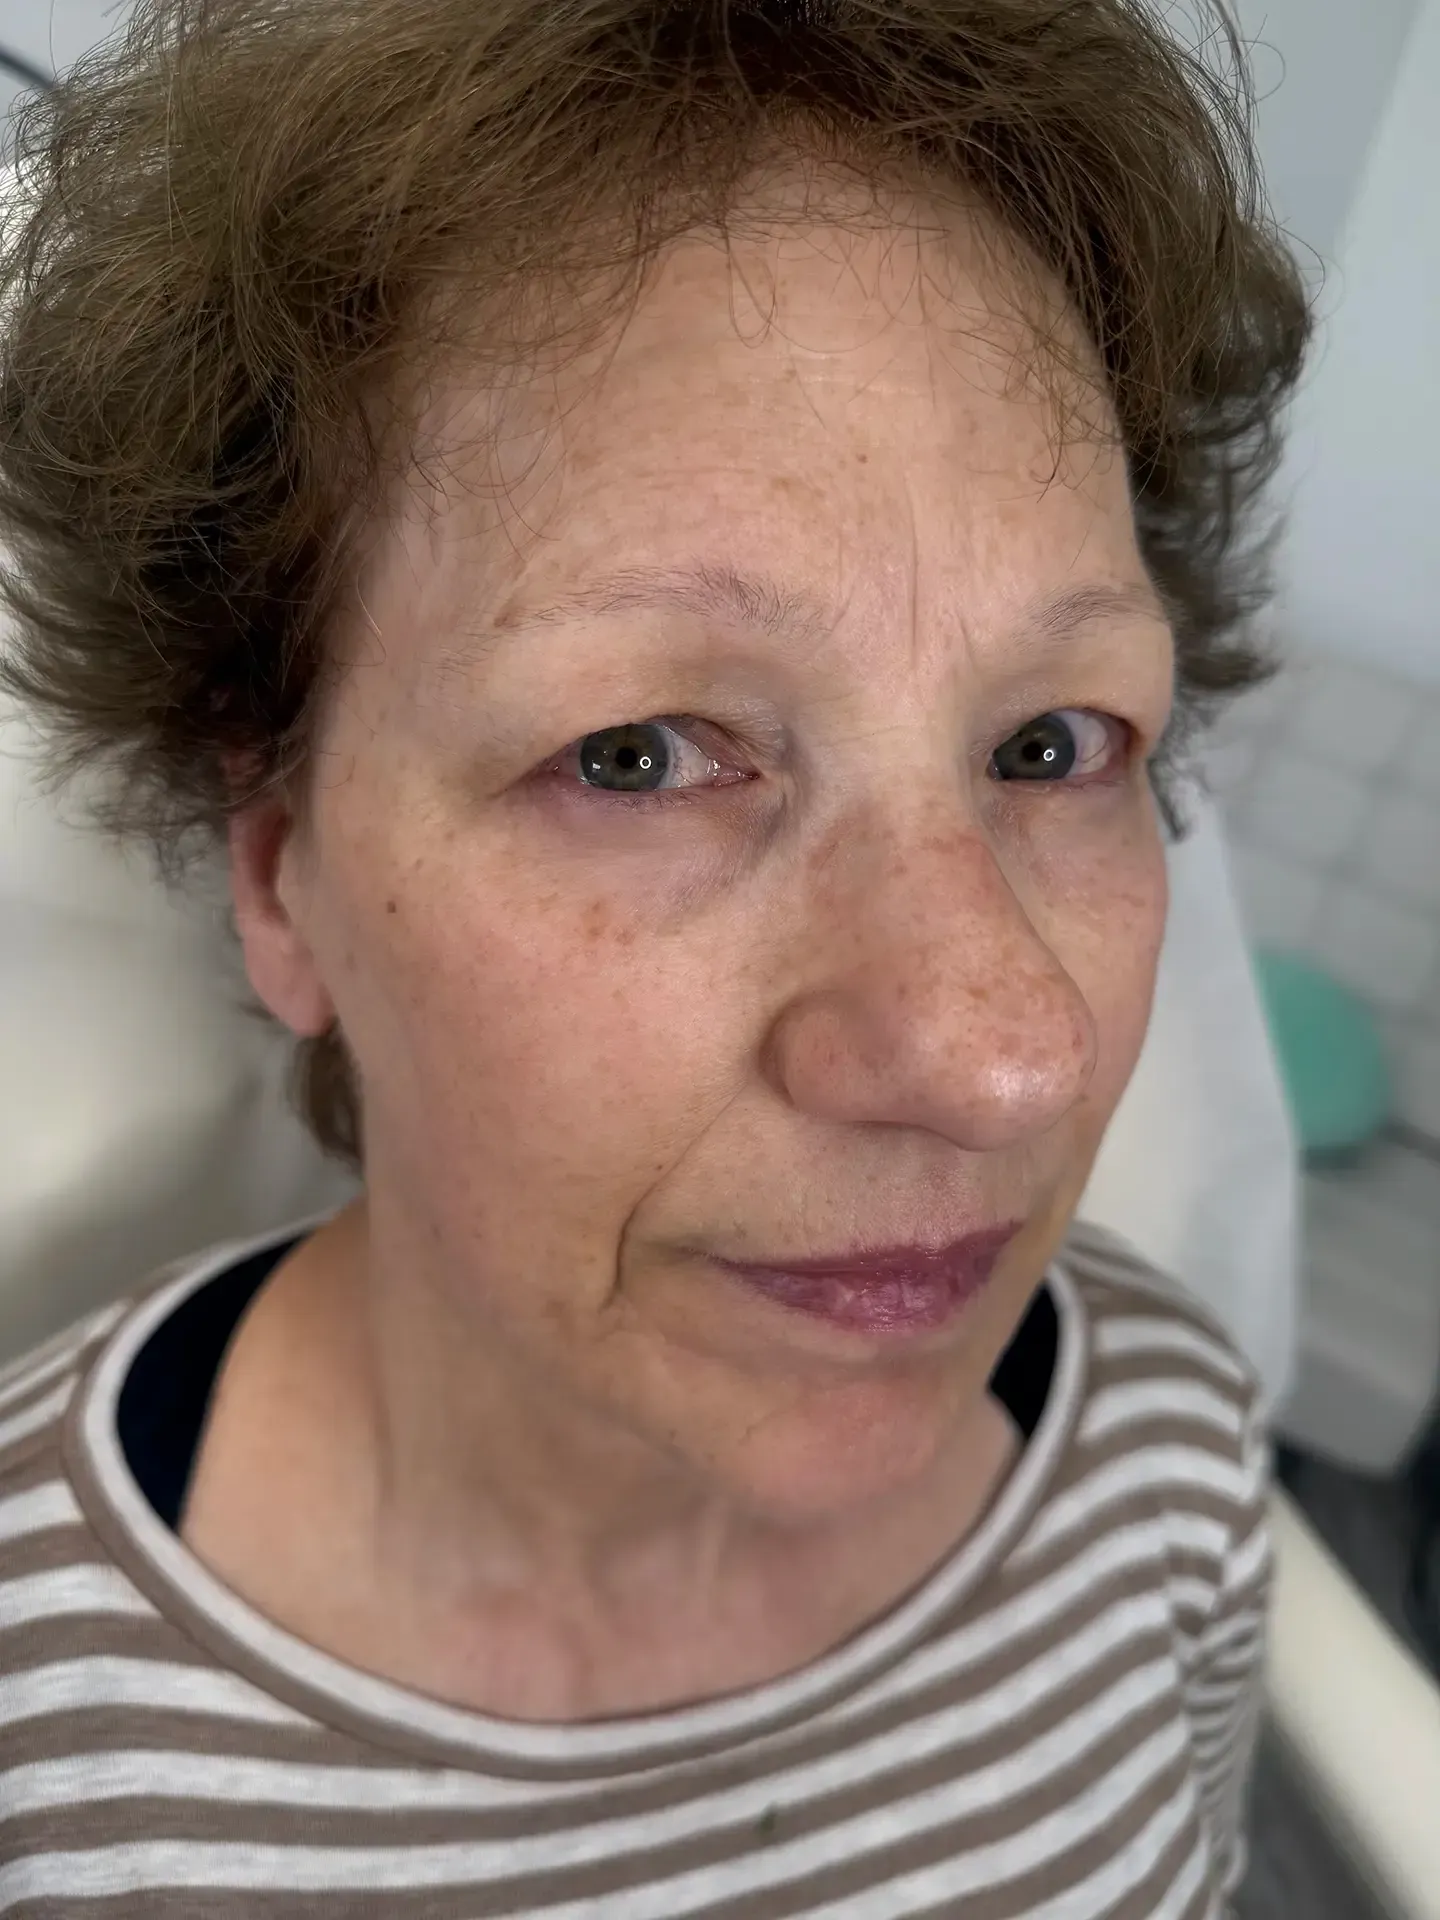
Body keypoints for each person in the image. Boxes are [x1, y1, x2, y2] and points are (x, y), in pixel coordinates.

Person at [0, 0, 1309, 1910]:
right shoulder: (46, 1738)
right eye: (639, 754)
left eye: (1051, 745)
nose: (1007, 1051)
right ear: (285, 885)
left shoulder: (1163, 1447)